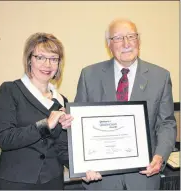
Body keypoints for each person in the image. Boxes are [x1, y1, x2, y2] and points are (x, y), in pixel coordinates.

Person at [75, 19, 177, 190]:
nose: (126, 43)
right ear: (109, 44)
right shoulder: (89, 75)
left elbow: (166, 123)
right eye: (118, 38)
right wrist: (82, 162)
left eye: (131, 36)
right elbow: (79, 126)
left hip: (143, 177)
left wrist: (160, 156)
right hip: (101, 179)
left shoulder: (161, 76)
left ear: (139, 40)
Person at [0, 32, 73, 190]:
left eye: (53, 59)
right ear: (29, 60)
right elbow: (5, 139)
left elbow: (61, 147)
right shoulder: (10, 90)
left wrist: (81, 169)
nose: (47, 64)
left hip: (53, 181)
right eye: (40, 57)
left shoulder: (61, 100)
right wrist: (46, 124)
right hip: (16, 182)